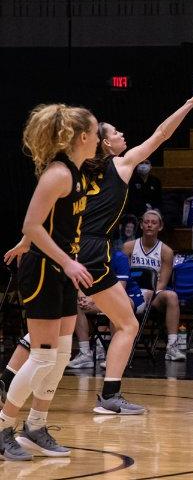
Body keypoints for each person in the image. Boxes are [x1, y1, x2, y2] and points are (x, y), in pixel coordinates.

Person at [4, 74, 193, 420]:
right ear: (101, 143)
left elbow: (50, 210)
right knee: (126, 324)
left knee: (48, 332)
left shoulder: (77, 171)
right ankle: (108, 395)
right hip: (88, 252)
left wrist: (28, 240)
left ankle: (9, 380)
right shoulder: (119, 165)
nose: (120, 136)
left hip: (65, 247)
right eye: (114, 133)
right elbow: (161, 135)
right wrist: (189, 104)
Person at [0, 104, 98, 460]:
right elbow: (31, 223)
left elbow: (49, 221)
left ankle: (36, 425)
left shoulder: (78, 171)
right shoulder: (58, 173)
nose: (100, 137)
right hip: (45, 270)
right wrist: (66, 261)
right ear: (83, 137)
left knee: (61, 356)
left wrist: (36, 244)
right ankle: (2, 426)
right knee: (42, 357)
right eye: (97, 132)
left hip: (61, 269)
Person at [122, 210, 186, 361]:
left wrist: (150, 293)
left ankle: (171, 346)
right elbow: (122, 277)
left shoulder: (166, 251)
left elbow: (162, 282)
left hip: (153, 294)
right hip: (130, 292)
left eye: (153, 223)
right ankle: (103, 346)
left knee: (172, 296)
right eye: (146, 222)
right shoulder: (129, 247)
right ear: (141, 225)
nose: (149, 225)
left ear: (160, 227)